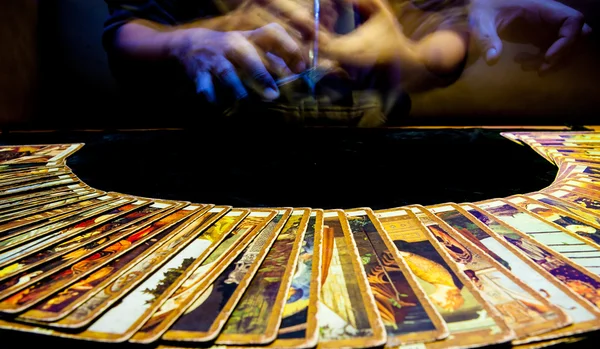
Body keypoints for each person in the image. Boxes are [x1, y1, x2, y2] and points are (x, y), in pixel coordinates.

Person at [102, 0, 591, 126]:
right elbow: (127, 31)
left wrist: (408, 56)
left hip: (376, 161)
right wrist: (190, 41)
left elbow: (445, 43)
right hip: (210, 154)